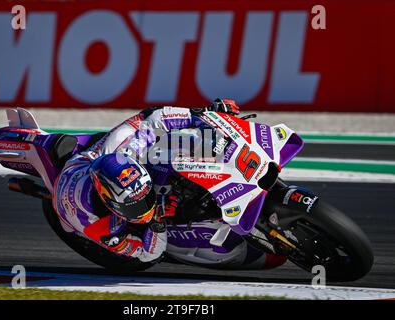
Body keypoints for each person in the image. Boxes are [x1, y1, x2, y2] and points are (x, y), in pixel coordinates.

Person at [52, 98, 286, 269]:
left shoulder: (123, 148)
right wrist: (158, 221)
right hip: (73, 198)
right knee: (148, 256)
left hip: (92, 160)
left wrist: (204, 116)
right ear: (110, 204)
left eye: (146, 198)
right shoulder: (98, 225)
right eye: (135, 206)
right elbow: (148, 255)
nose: (145, 206)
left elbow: (153, 117)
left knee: (171, 148)